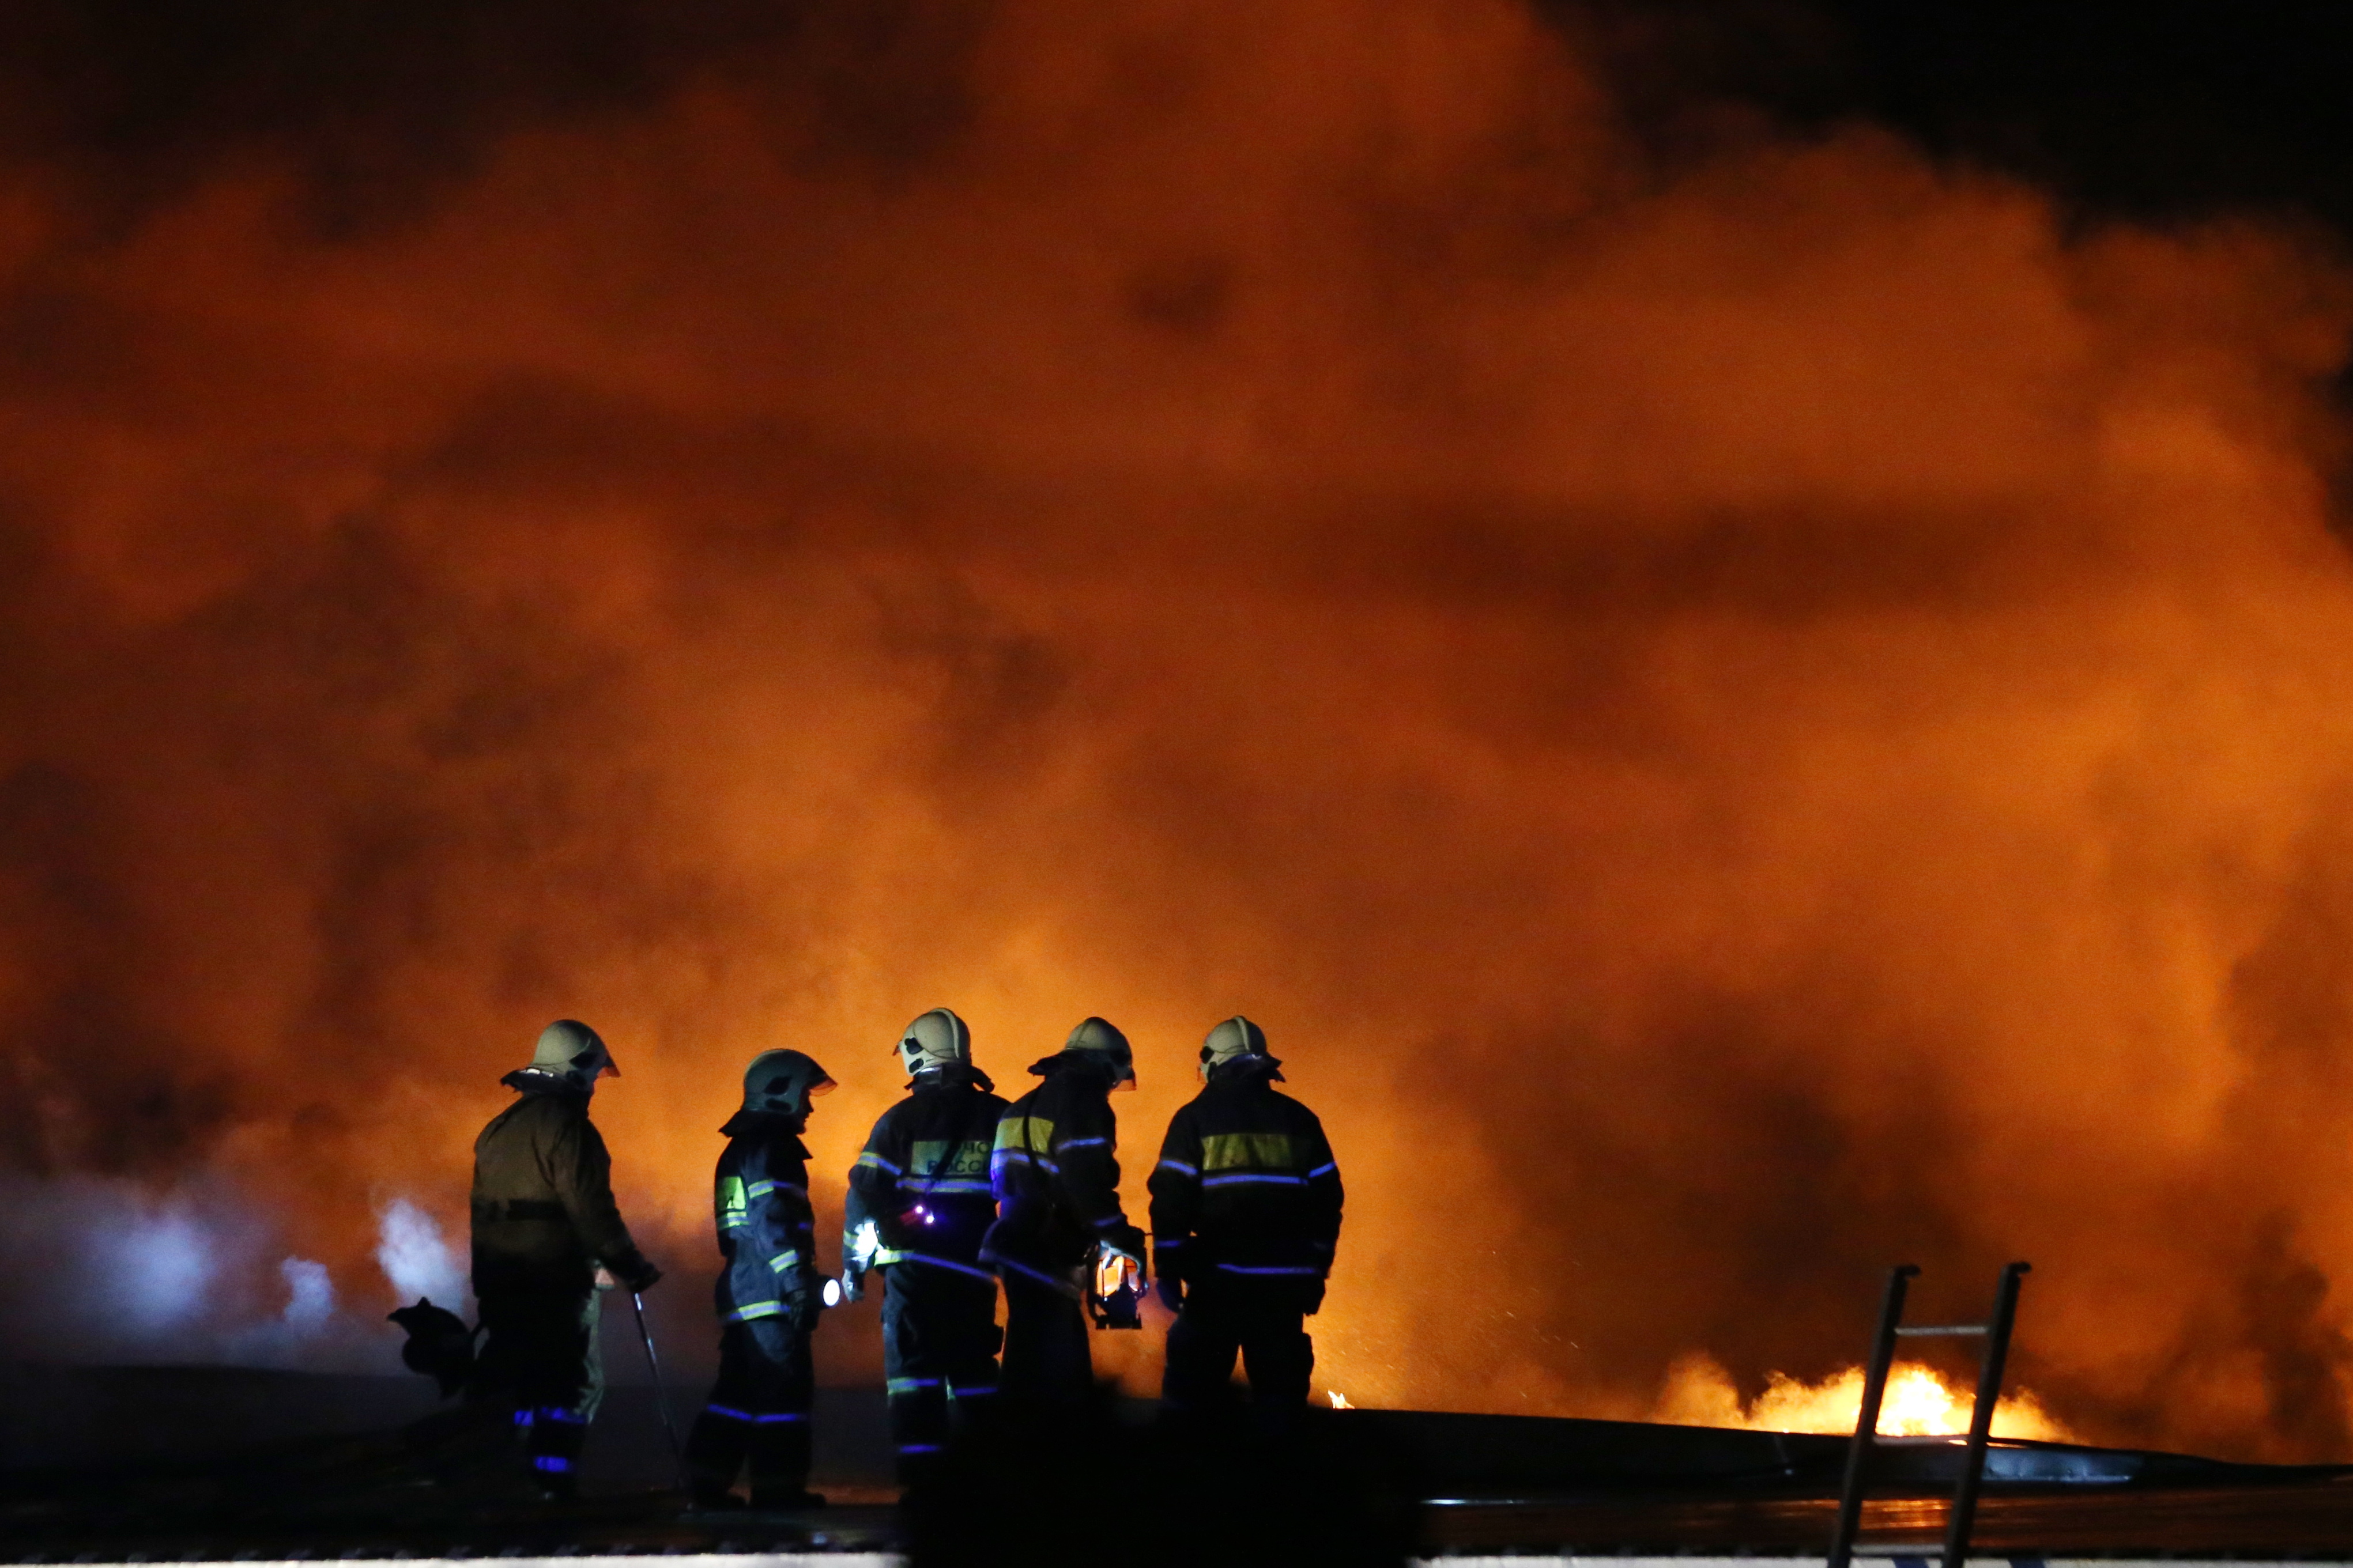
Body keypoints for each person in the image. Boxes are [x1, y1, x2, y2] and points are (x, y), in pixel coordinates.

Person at [469, 1018, 662, 1498]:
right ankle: (552, 1481)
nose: (594, 1086)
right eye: (594, 1075)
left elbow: (483, 1214)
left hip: (501, 1285)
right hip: (557, 1286)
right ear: (577, 1069)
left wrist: (486, 1280)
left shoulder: (497, 1130)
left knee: (514, 1383)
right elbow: (592, 1210)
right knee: (572, 1384)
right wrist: (630, 1265)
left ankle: (503, 1478)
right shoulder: (572, 1130)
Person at [842, 1007, 1009, 1488]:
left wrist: (853, 1265)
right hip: (973, 1274)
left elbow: (864, 1194)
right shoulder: (1000, 1115)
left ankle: (923, 1486)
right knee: (973, 1377)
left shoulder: (899, 1120)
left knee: (914, 1382)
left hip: (913, 1277)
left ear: (917, 1053)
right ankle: (982, 1483)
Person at [1148, 1017, 1342, 1416]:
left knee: (1192, 1401)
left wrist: (1168, 1268)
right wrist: (1316, 1271)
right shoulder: (1301, 1120)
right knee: (1279, 1405)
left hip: (1216, 1284)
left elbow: (1171, 1200)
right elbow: (1327, 1204)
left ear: (1214, 1062)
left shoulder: (1194, 1119)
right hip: (1282, 1290)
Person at [683, 1048, 837, 1510]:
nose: (809, 1107)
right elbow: (774, 1220)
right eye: (804, 1095)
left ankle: (705, 1482)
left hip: (742, 1290)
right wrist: (797, 1283)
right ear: (779, 1092)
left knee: (736, 1393)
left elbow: (739, 1231)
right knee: (785, 1393)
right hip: (771, 1294)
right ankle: (778, 1489)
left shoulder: (738, 1150)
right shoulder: (775, 1148)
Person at [980, 1017, 1148, 1405]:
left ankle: (1016, 1434)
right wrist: (1121, 1235)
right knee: (1057, 1367)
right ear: (1108, 1065)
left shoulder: (1021, 1105)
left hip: (1013, 1243)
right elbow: (1086, 1182)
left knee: (1028, 1353)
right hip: (1048, 1251)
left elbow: (1002, 1183)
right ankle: (1049, 1439)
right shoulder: (1085, 1104)